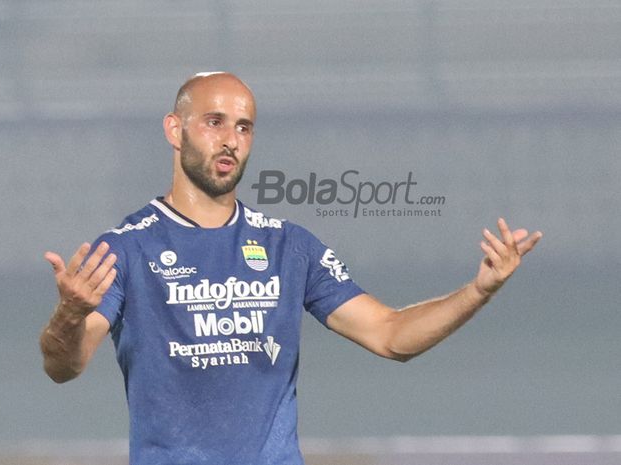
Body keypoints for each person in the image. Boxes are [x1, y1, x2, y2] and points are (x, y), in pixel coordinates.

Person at [39, 72, 542, 465]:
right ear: (175, 129)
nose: (231, 140)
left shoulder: (289, 247)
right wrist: (69, 315)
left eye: (243, 126)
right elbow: (65, 365)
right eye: (214, 122)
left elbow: (391, 335)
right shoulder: (127, 248)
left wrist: (479, 291)